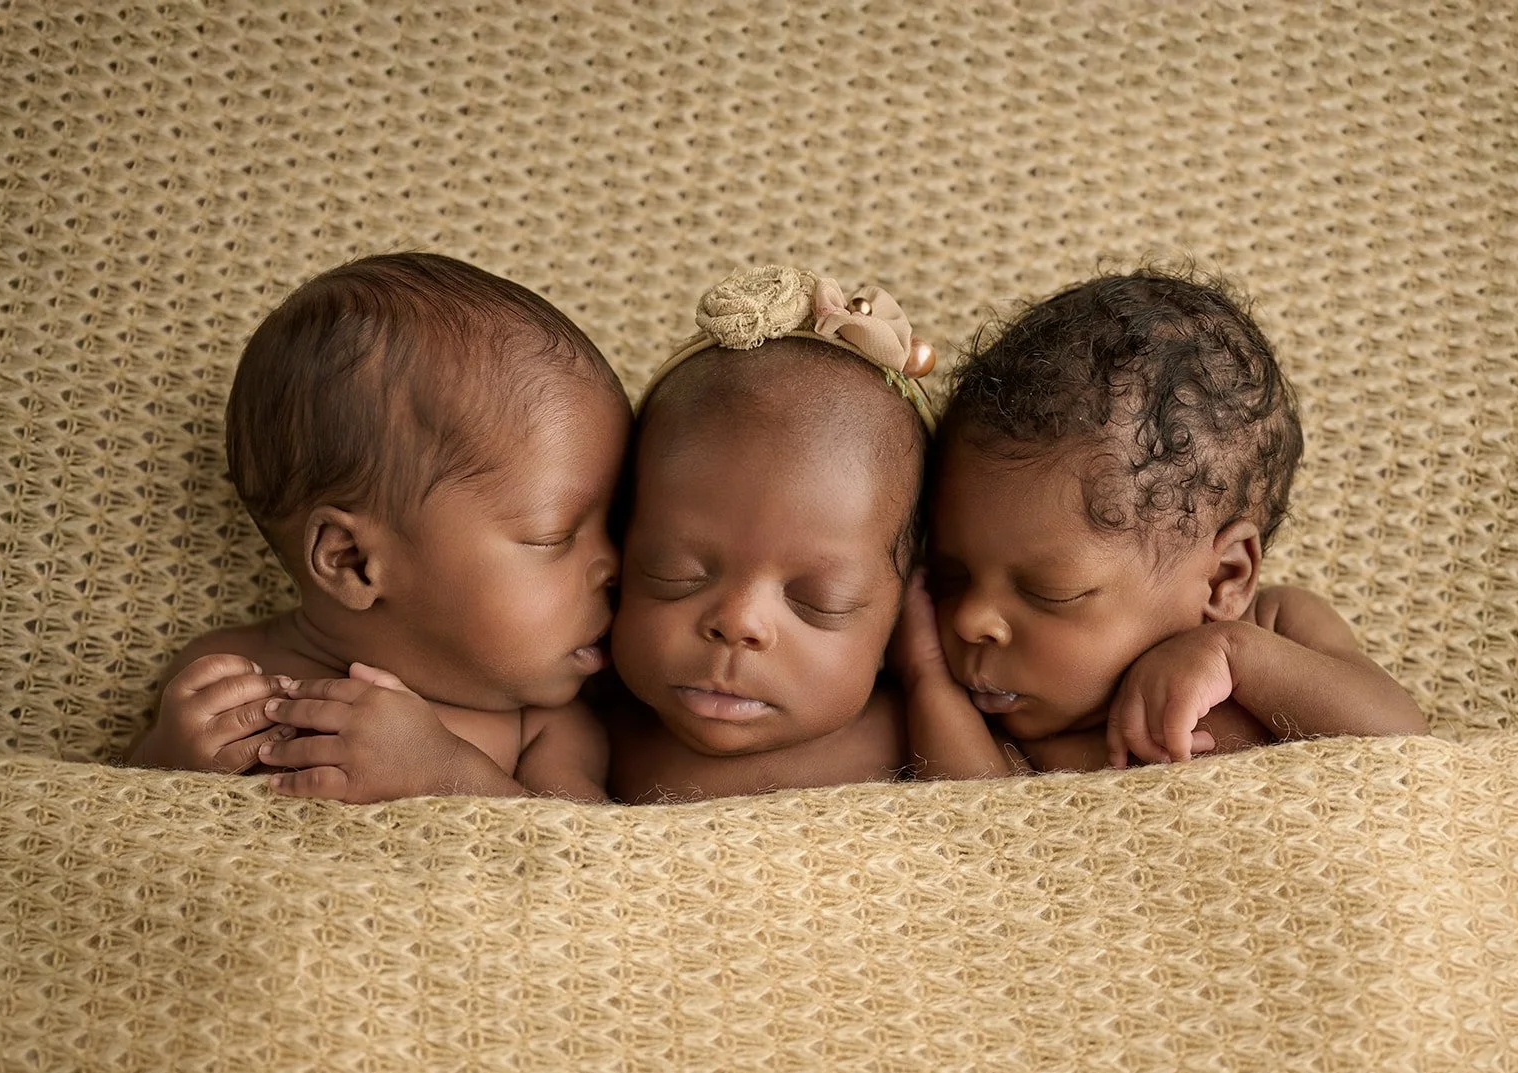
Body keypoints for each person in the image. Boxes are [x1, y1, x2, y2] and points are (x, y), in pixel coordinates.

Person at [126, 252, 630, 801]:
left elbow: (579, 848)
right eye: (554, 536)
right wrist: (162, 763)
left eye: (618, 521)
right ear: (353, 561)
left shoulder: (548, 728)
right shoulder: (223, 686)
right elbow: (123, 817)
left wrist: (450, 776)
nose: (616, 562)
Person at [893, 267, 1428, 776]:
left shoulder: (1275, 626)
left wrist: (1235, 657)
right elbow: (980, 814)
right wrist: (927, 680)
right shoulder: (1000, 735)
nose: (970, 619)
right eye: (950, 578)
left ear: (1224, 578)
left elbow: (1403, 743)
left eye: (1048, 592)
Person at [604, 265, 936, 802]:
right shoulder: (586, 723)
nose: (739, 622)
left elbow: (1004, 814)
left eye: (819, 601)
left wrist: (929, 677)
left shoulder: (922, 732)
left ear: (899, 613)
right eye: (674, 574)